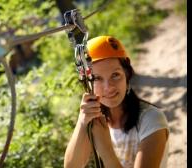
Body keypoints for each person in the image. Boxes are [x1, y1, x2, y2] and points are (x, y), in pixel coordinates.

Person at [64, 36, 169, 168]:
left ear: (127, 74)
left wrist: (106, 151)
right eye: (97, 78)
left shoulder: (151, 120)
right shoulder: (95, 120)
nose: (108, 87)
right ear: (88, 84)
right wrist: (82, 122)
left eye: (115, 75)